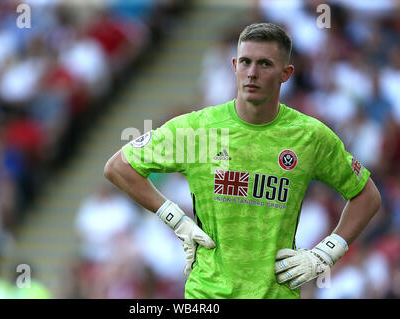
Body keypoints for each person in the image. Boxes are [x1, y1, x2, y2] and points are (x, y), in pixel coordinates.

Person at [104, 23, 381, 298]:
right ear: (235, 65)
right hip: (207, 295)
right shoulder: (197, 129)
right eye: (246, 62)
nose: (252, 73)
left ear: (286, 73)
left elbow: (366, 195)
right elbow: (119, 166)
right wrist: (176, 219)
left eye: (264, 64)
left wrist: (326, 253)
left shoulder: (310, 136)